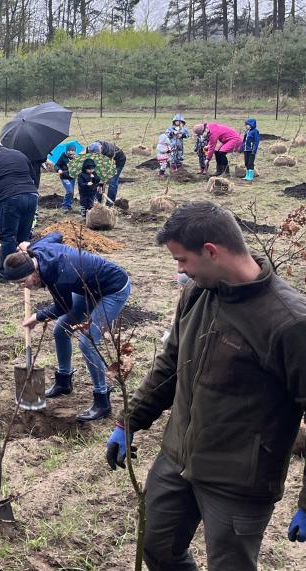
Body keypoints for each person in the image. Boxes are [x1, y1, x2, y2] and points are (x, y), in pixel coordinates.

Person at [105, 201, 306, 570]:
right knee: (157, 546)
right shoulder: (197, 293)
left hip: (239, 481)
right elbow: (170, 365)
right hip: (178, 457)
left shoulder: (290, 323)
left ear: (211, 251)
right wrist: (129, 421)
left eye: (182, 260)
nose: (179, 270)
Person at [2, 233, 131, 422]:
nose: (23, 287)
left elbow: (63, 307)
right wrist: (30, 245)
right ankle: (64, 382)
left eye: (23, 282)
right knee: (60, 330)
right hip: (86, 286)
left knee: (88, 342)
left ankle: (102, 400)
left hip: (113, 289)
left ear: (34, 272)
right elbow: (57, 235)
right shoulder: (36, 251)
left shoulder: (58, 276)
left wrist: (37, 317)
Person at [0, 138, 39, 281]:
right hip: (31, 196)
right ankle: (25, 270)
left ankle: (6, 274)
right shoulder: (19, 154)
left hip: (10, 199)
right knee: (23, 237)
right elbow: (34, 177)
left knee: (8, 237)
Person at [55, 147, 77, 212]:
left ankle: (69, 206)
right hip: (64, 177)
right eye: (70, 150)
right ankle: (64, 206)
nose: (71, 152)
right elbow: (56, 165)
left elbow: (78, 166)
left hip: (72, 177)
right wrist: (58, 170)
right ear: (67, 150)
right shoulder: (62, 157)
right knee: (69, 191)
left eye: (73, 150)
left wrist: (76, 160)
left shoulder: (75, 158)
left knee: (72, 192)